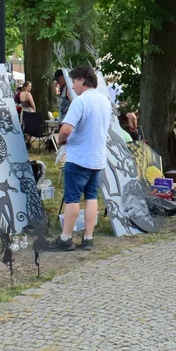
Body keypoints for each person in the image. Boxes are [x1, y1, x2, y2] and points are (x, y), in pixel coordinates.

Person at [53, 66, 113, 251]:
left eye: (73, 81)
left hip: (78, 156)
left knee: (72, 198)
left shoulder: (80, 102)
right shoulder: (105, 101)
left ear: (81, 81)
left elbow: (66, 129)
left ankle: (66, 238)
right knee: (92, 198)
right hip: (97, 157)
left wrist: (61, 140)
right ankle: (88, 238)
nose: (72, 85)